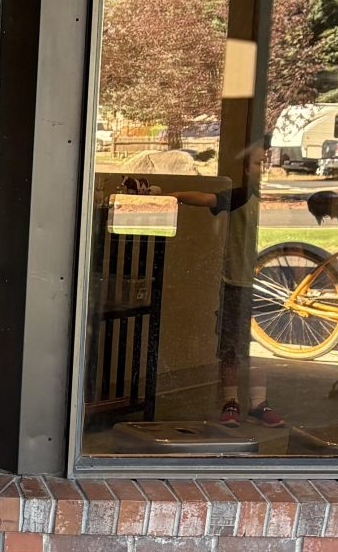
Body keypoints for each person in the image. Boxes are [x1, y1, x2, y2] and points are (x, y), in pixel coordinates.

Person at [122, 147, 285, 429]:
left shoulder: (276, 202)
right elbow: (206, 198)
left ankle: (259, 402)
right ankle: (231, 401)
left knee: (261, 348)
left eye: (268, 163)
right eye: (259, 164)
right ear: (246, 169)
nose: (265, 169)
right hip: (238, 282)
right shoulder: (241, 196)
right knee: (231, 347)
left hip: (268, 285)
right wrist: (171, 196)